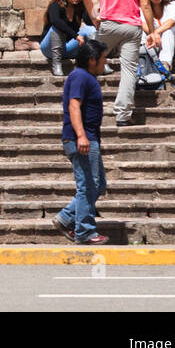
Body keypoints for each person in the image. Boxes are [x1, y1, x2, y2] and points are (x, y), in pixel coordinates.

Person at [81, 0, 158, 127]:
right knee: (129, 70)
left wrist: (93, 16)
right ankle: (122, 115)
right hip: (131, 27)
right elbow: (145, 4)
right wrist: (152, 32)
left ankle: (81, 105)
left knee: (90, 63)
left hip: (108, 24)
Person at [52, 38, 110, 245]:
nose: (105, 62)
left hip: (89, 138)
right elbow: (74, 106)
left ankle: (66, 217)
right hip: (82, 139)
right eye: (103, 58)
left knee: (98, 183)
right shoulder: (79, 76)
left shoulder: (86, 77)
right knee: (87, 185)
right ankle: (85, 230)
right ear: (92, 60)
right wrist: (81, 135)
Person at [39, 0, 97, 76]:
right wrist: (76, 36)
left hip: (67, 49)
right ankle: (56, 65)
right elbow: (55, 21)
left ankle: (98, 60)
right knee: (56, 28)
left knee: (90, 29)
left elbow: (89, 23)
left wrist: (88, 4)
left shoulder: (79, 6)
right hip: (50, 49)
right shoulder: (55, 5)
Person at [144, 0, 175, 76]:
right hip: (153, 43)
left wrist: (155, 33)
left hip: (172, 41)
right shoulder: (144, 7)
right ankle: (144, 61)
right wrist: (153, 35)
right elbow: (142, 24)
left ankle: (164, 64)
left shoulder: (172, 2)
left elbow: (171, 22)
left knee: (168, 31)